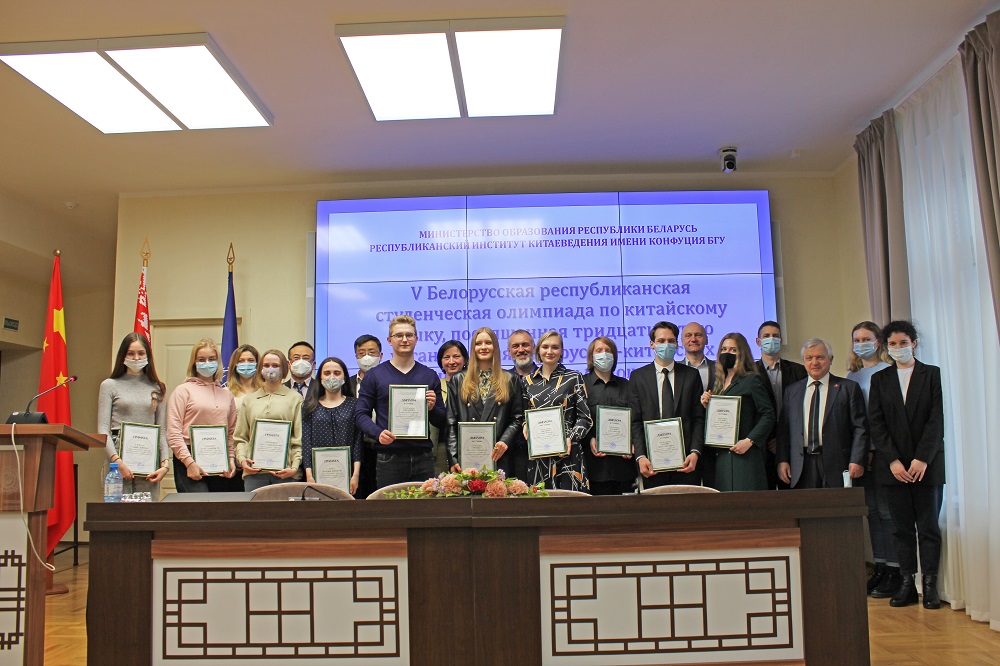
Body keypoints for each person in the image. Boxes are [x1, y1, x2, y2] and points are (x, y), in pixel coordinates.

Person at [868, 321, 944, 610]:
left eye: (903, 342)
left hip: (927, 465)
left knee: (928, 527)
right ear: (886, 347)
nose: (898, 348)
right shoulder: (880, 379)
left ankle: (930, 585)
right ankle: (906, 584)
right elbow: (877, 423)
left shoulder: (931, 374)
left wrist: (922, 458)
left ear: (914, 343)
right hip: (894, 468)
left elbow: (936, 420)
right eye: (892, 344)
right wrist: (894, 461)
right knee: (901, 529)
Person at [354, 315, 447, 489]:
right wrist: (377, 433)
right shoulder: (375, 375)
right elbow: (360, 415)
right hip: (389, 457)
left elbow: (441, 420)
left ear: (416, 339)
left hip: (423, 457)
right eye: (399, 335)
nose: (404, 339)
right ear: (389, 340)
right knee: (390, 506)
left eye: (409, 335)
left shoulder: (429, 375)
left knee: (424, 505)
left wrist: (432, 408)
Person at [846, 321, 900, 598]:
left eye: (866, 339)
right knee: (873, 512)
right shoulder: (852, 376)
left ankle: (895, 569)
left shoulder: (888, 372)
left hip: (882, 452)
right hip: (861, 454)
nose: (861, 344)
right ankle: (880, 565)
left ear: (878, 342)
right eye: (856, 340)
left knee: (888, 512)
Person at [776, 338, 868, 489]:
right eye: (809, 358)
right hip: (802, 464)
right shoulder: (792, 391)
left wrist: (857, 459)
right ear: (804, 361)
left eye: (820, 357)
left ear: (831, 360)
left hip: (838, 463)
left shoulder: (848, 388)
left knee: (837, 504)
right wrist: (782, 460)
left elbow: (860, 428)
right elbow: (784, 431)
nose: (815, 362)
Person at [627, 322, 704, 489]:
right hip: (652, 463)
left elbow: (698, 418)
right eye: (661, 341)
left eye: (671, 341)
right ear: (652, 344)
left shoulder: (691, 375)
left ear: (677, 344)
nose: (666, 345)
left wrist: (695, 452)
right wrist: (640, 456)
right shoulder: (638, 377)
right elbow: (635, 421)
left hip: (686, 462)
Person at [96, 333, 170, 495]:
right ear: (123, 355)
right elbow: (103, 429)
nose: (136, 358)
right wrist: (116, 461)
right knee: (117, 509)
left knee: (146, 510)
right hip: (117, 458)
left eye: (141, 353)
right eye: (131, 353)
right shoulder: (109, 385)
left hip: (148, 458)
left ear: (148, 356)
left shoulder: (158, 388)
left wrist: (165, 465)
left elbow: (162, 431)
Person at [700, 332, 775, 492]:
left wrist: (750, 441)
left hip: (745, 455)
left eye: (733, 350)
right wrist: (707, 406)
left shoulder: (752, 380)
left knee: (746, 502)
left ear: (743, 353)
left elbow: (768, 415)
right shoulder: (717, 384)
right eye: (724, 349)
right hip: (721, 457)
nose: (727, 353)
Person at [521, 330, 593, 492]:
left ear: (561, 351)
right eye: (545, 347)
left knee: (571, 504)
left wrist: (570, 438)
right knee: (541, 503)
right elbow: (522, 415)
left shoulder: (574, 377)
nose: (549, 351)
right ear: (538, 350)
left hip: (569, 454)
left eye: (555, 347)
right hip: (539, 457)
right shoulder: (527, 382)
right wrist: (525, 425)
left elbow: (585, 418)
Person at [445, 327, 521, 475]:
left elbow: (517, 418)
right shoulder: (458, 380)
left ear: (495, 347)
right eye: (478, 343)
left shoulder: (511, 379)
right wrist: (453, 458)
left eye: (488, 343)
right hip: (466, 456)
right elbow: (451, 422)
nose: (483, 347)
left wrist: (505, 441)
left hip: (498, 455)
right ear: (473, 348)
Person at [165, 339, 238, 493]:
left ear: (218, 362)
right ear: (194, 363)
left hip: (219, 458)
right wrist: (189, 462)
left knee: (221, 506)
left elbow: (231, 433)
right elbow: (173, 433)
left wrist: (231, 458)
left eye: (211, 359)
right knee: (199, 504)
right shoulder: (182, 391)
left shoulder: (227, 395)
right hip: (189, 457)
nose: (207, 363)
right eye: (201, 359)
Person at [235, 349, 303, 491]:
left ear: (284, 369)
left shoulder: (295, 398)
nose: (270, 369)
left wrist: (295, 466)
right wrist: (242, 459)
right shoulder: (249, 400)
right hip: (254, 473)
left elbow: (298, 438)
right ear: (260, 369)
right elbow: (241, 437)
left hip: (285, 473)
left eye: (275, 365)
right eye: (266, 365)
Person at [755, 320, 808, 490]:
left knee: (792, 498)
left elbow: (803, 409)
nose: (771, 339)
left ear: (781, 340)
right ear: (758, 341)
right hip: (762, 447)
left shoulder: (799, 371)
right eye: (766, 336)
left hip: (792, 446)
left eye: (775, 336)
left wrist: (783, 441)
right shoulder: (749, 372)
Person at [582, 336, 637, 495]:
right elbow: (574, 420)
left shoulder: (627, 385)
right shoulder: (580, 384)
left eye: (608, 351)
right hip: (593, 468)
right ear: (591, 357)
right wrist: (589, 439)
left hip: (623, 468)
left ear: (614, 356)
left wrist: (632, 442)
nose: (604, 354)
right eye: (599, 351)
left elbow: (636, 419)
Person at [302, 357, 362, 495]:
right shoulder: (309, 406)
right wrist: (309, 474)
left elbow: (357, 442)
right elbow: (306, 442)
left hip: (348, 473)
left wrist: (356, 474)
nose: (332, 377)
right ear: (320, 377)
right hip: (318, 472)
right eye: (327, 373)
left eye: (337, 373)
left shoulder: (354, 404)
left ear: (344, 377)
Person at [681, 321, 717, 486]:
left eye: (698, 335)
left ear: (706, 339)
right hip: (686, 444)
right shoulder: (674, 371)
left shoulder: (720, 369)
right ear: (682, 341)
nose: (693, 339)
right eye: (688, 335)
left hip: (715, 442)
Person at [349, 333, 383, 499]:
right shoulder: (346, 384)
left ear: (381, 356)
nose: (367, 357)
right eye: (362, 353)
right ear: (356, 357)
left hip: (382, 445)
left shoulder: (389, 381)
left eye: (372, 352)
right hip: (356, 448)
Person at [503, 329, 537, 480]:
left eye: (525, 345)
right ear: (509, 351)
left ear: (534, 348)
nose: (521, 350)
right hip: (509, 454)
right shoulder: (502, 380)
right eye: (515, 346)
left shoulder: (547, 377)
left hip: (542, 451)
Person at [435, 340, 469, 473]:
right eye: (446, 357)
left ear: (465, 359)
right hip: (440, 447)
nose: (451, 361)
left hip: (468, 445)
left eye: (456, 356)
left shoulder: (473, 386)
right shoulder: (435, 386)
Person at [227, 344, 263, 410]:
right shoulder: (226, 392)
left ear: (257, 364)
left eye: (251, 360)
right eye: (241, 361)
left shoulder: (265, 390)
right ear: (235, 364)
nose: (246, 364)